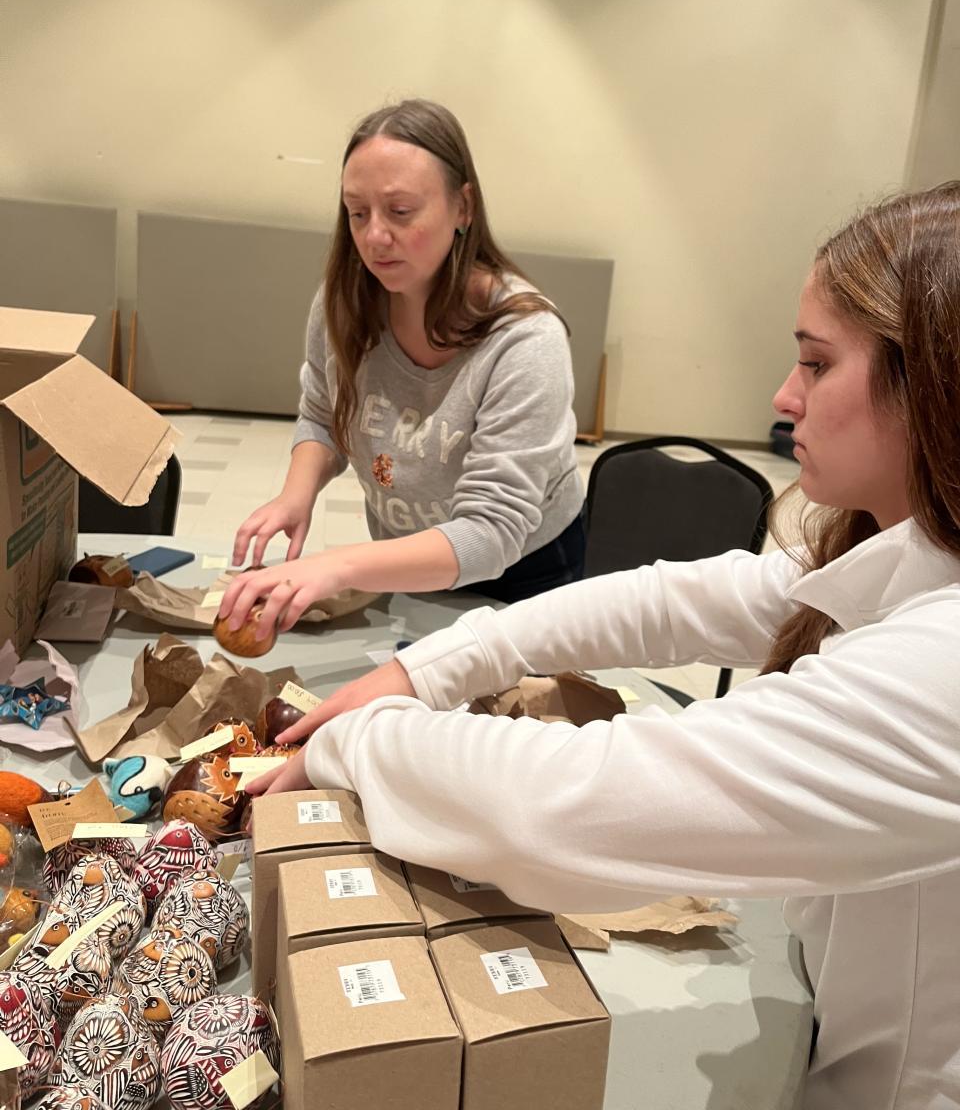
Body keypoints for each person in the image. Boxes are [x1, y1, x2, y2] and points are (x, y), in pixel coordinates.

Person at [249, 180, 960, 1108]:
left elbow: (566, 806)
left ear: (935, 387)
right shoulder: (895, 551)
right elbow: (668, 601)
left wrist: (354, 741)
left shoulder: (937, 667)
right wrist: (420, 669)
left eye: (818, 365)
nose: (784, 397)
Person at [221, 99, 585, 640]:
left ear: (463, 207)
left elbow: (490, 533)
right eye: (357, 212)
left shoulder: (526, 339)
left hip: (523, 571)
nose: (373, 237)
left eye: (400, 211)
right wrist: (296, 495)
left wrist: (338, 565)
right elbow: (322, 415)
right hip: (407, 558)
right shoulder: (344, 303)